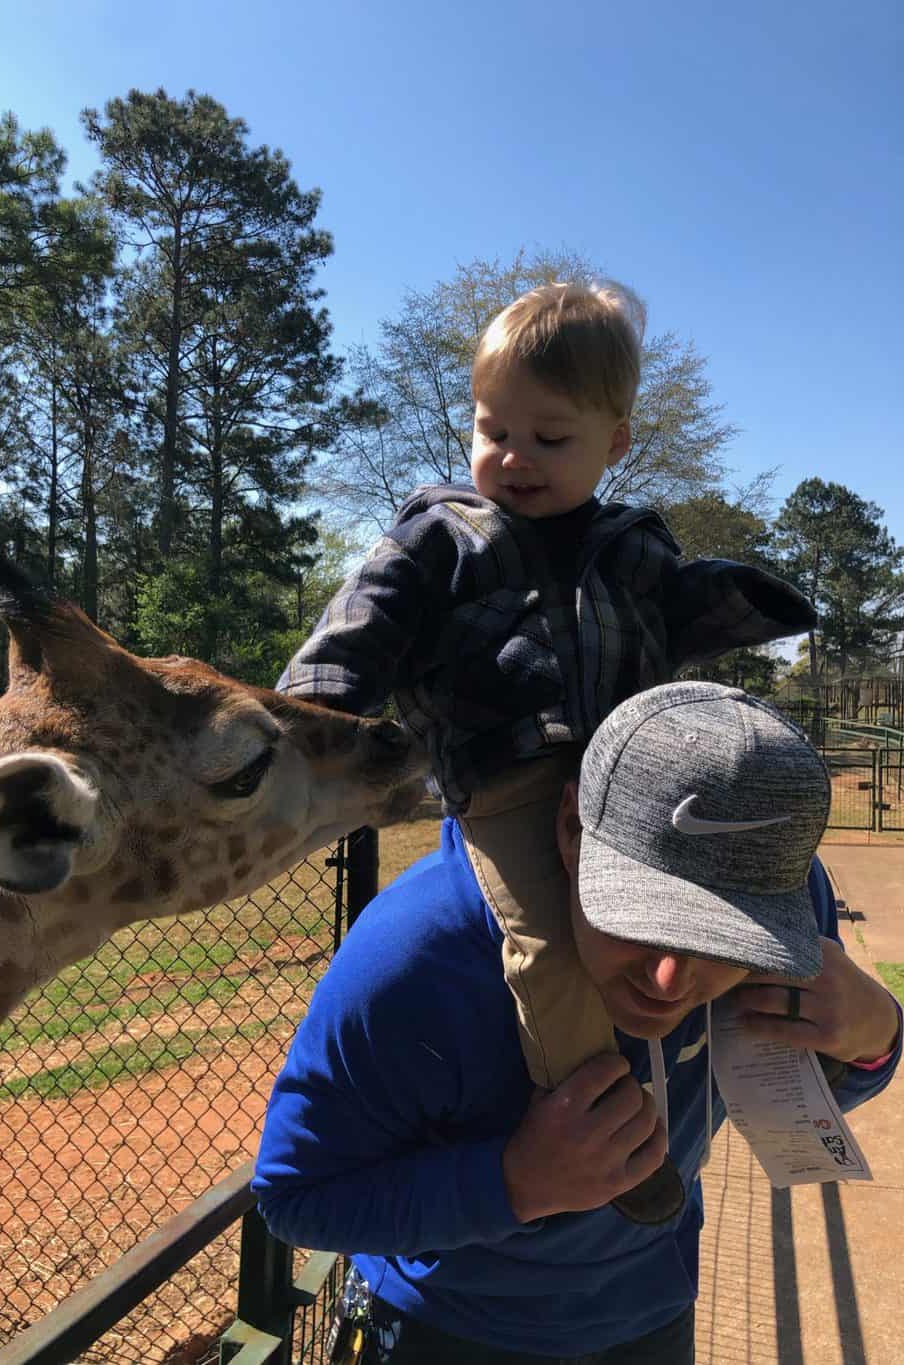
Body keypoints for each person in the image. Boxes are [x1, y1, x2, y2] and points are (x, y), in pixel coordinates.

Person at [277, 280, 816, 1221]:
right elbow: (362, 625)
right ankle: (621, 1131)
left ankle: (777, 1032)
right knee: (549, 951)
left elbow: (681, 609)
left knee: (701, 924)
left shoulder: (632, 541)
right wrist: (311, 711)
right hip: (511, 781)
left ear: (616, 443)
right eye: (494, 430)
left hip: (636, 777)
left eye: (550, 438)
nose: (514, 457)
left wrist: (752, 604)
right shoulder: (439, 535)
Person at [253, 683, 902, 1364]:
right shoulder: (417, 957)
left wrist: (876, 1038)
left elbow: (797, 1093)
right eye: (642, 919)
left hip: (651, 1314)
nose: (670, 982)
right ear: (570, 829)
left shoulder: (788, 907)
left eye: (725, 942)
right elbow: (296, 1196)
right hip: (446, 1325)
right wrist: (512, 1182)